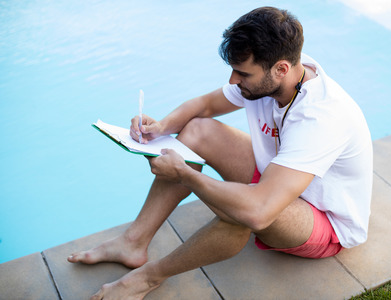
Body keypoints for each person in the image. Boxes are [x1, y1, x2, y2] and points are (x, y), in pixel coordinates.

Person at [68, 6, 373, 300]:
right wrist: (160, 127)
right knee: (197, 129)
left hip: (324, 221)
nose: (232, 81)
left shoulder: (321, 117)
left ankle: (146, 278)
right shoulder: (287, 67)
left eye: (242, 74)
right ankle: (133, 242)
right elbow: (205, 105)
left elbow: (258, 210)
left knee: (240, 211)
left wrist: (186, 175)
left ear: (281, 69)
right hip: (278, 180)